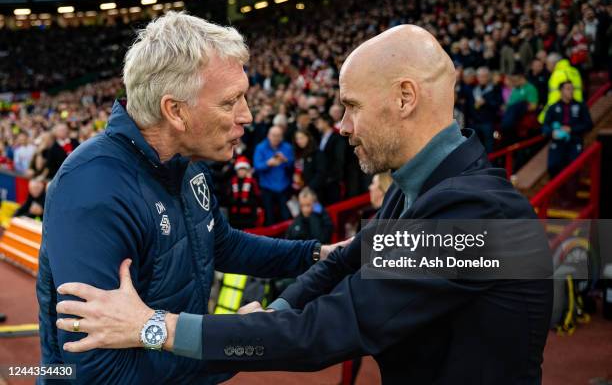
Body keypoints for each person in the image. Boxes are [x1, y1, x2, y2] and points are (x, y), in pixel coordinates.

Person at [56, 25, 553, 384]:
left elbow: (326, 329)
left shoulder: (478, 214)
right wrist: (276, 308)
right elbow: (342, 265)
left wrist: (154, 327)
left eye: (352, 106)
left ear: (405, 98)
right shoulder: (413, 190)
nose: (341, 125)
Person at [38, 12, 343, 385]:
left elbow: (219, 242)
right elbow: (98, 373)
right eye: (230, 102)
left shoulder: (187, 165)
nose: (246, 115)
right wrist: (229, 341)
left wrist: (316, 256)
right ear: (176, 111)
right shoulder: (93, 190)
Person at [542, 81, 593, 178]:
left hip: (574, 141)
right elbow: (545, 126)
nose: (571, 91)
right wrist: (551, 133)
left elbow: (589, 124)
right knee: (553, 167)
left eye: (572, 89)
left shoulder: (581, 106)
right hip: (557, 142)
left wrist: (571, 129)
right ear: (561, 91)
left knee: (574, 170)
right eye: (568, 89)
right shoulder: (553, 107)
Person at [253, 125, 294, 225]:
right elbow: (256, 166)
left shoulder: (287, 147)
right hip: (267, 187)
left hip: (284, 186)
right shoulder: (260, 147)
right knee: (269, 217)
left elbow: (293, 165)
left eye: (279, 136)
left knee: (286, 216)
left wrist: (285, 160)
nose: (276, 138)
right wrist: (268, 164)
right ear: (268, 135)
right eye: (274, 135)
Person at [315, 113, 345, 205]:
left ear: (326, 123)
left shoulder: (337, 138)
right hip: (324, 179)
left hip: (333, 178)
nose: (317, 125)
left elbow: (339, 159)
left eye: (319, 122)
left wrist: (333, 176)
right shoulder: (321, 137)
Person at [228, 157, 260, 230]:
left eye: (243, 169)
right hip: (235, 216)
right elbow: (228, 198)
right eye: (240, 169)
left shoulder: (252, 182)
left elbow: (257, 197)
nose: (241, 171)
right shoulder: (232, 182)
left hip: (248, 216)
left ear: (247, 171)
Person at [292, 129, 326, 196]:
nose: (299, 141)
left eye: (301, 138)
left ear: (308, 137)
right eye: (297, 139)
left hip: (315, 192)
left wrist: (309, 187)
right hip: (300, 189)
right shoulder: (298, 154)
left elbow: (321, 173)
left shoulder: (317, 153)